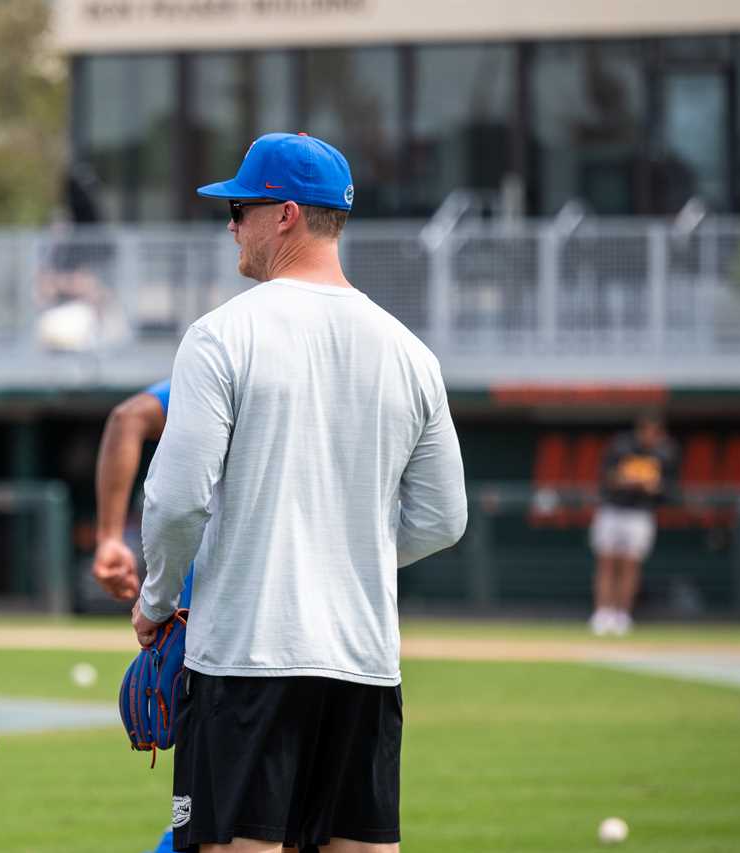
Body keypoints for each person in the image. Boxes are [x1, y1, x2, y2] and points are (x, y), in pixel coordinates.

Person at [134, 133, 468, 853]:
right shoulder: (411, 351)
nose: (230, 224)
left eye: (239, 208)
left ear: (285, 214)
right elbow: (444, 518)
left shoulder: (223, 333)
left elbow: (177, 498)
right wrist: (344, 555)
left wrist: (157, 602)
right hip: (366, 664)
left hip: (249, 658)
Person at [92, 378, 192, 853]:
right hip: (354, 649)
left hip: (229, 646)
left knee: (210, 829)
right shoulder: (380, 362)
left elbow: (128, 418)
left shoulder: (235, 358)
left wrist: (113, 537)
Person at [589, 412, 679, 636]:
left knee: (631, 565)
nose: (650, 435)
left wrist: (653, 487)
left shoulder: (666, 451)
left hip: (640, 514)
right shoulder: (621, 446)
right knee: (607, 562)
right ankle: (602, 613)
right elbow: (607, 477)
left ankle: (622, 615)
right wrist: (628, 481)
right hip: (614, 509)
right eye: (646, 430)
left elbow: (668, 490)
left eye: (654, 431)